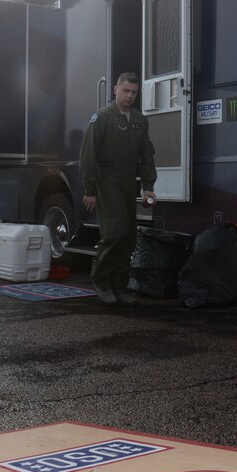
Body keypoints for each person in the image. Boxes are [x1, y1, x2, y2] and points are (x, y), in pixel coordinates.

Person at [79, 73, 157, 306]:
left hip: (126, 182)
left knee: (129, 236)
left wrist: (148, 187)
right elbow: (88, 156)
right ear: (115, 90)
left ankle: (119, 285)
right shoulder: (101, 118)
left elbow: (146, 156)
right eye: (126, 91)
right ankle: (101, 281)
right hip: (106, 181)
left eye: (134, 92)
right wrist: (89, 189)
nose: (130, 96)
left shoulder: (140, 122)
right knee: (114, 233)